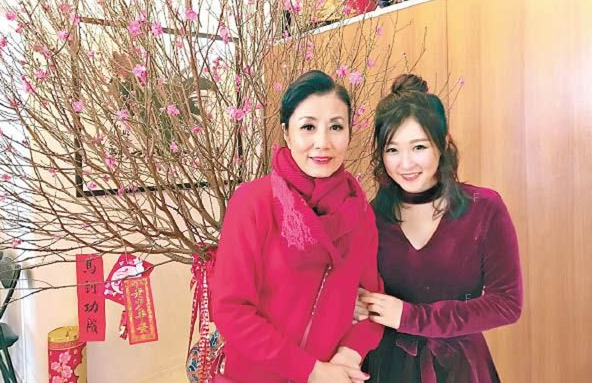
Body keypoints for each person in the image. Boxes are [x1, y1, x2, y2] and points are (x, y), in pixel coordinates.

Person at [211, 70, 384, 383]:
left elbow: (372, 303)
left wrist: (349, 355)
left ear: (349, 133)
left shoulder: (358, 212)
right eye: (308, 127)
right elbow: (231, 309)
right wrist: (311, 370)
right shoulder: (254, 202)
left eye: (336, 127)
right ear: (287, 133)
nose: (323, 142)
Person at [356, 74, 523, 382]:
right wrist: (354, 304)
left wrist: (412, 317)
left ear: (443, 142)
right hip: (386, 367)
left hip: (460, 368)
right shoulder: (370, 217)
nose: (405, 163)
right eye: (392, 150)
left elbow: (506, 304)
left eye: (418, 147)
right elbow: (354, 293)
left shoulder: (484, 208)